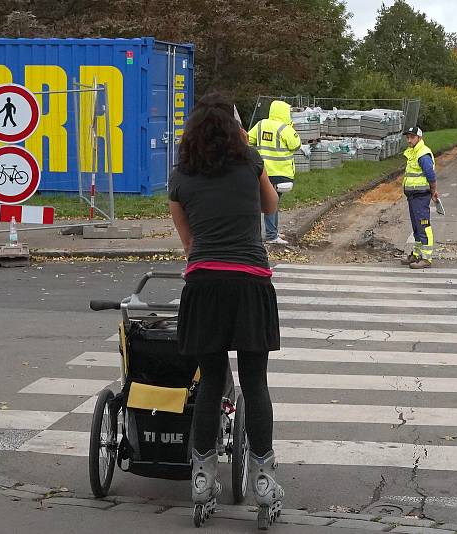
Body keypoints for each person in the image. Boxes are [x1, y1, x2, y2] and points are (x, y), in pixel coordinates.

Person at [168, 92, 284, 529]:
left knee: (211, 381)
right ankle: (264, 481)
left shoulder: (180, 177)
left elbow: (189, 243)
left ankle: (201, 479)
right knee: (255, 382)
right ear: (235, 126)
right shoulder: (251, 163)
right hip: (251, 283)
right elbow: (270, 207)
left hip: (204, 284)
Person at [248, 100, 302, 245]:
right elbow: (296, 145)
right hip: (280, 173)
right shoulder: (285, 128)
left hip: (262, 172)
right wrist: (291, 128)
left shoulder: (261, 125)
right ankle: (272, 235)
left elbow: (248, 140)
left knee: (268, 202)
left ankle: (270, 232)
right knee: (272, 202)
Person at [401, 126, 438, 269]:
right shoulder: (413, 152)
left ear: (419, 138)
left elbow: (430, 175)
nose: (409, 140)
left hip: (421, 196)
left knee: (423, 226)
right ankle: (416, 255)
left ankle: (427, 258)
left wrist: (434, 190)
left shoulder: (422, 153)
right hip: (413, 196)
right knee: (416, 227)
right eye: (408, 137)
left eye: (412, 137)